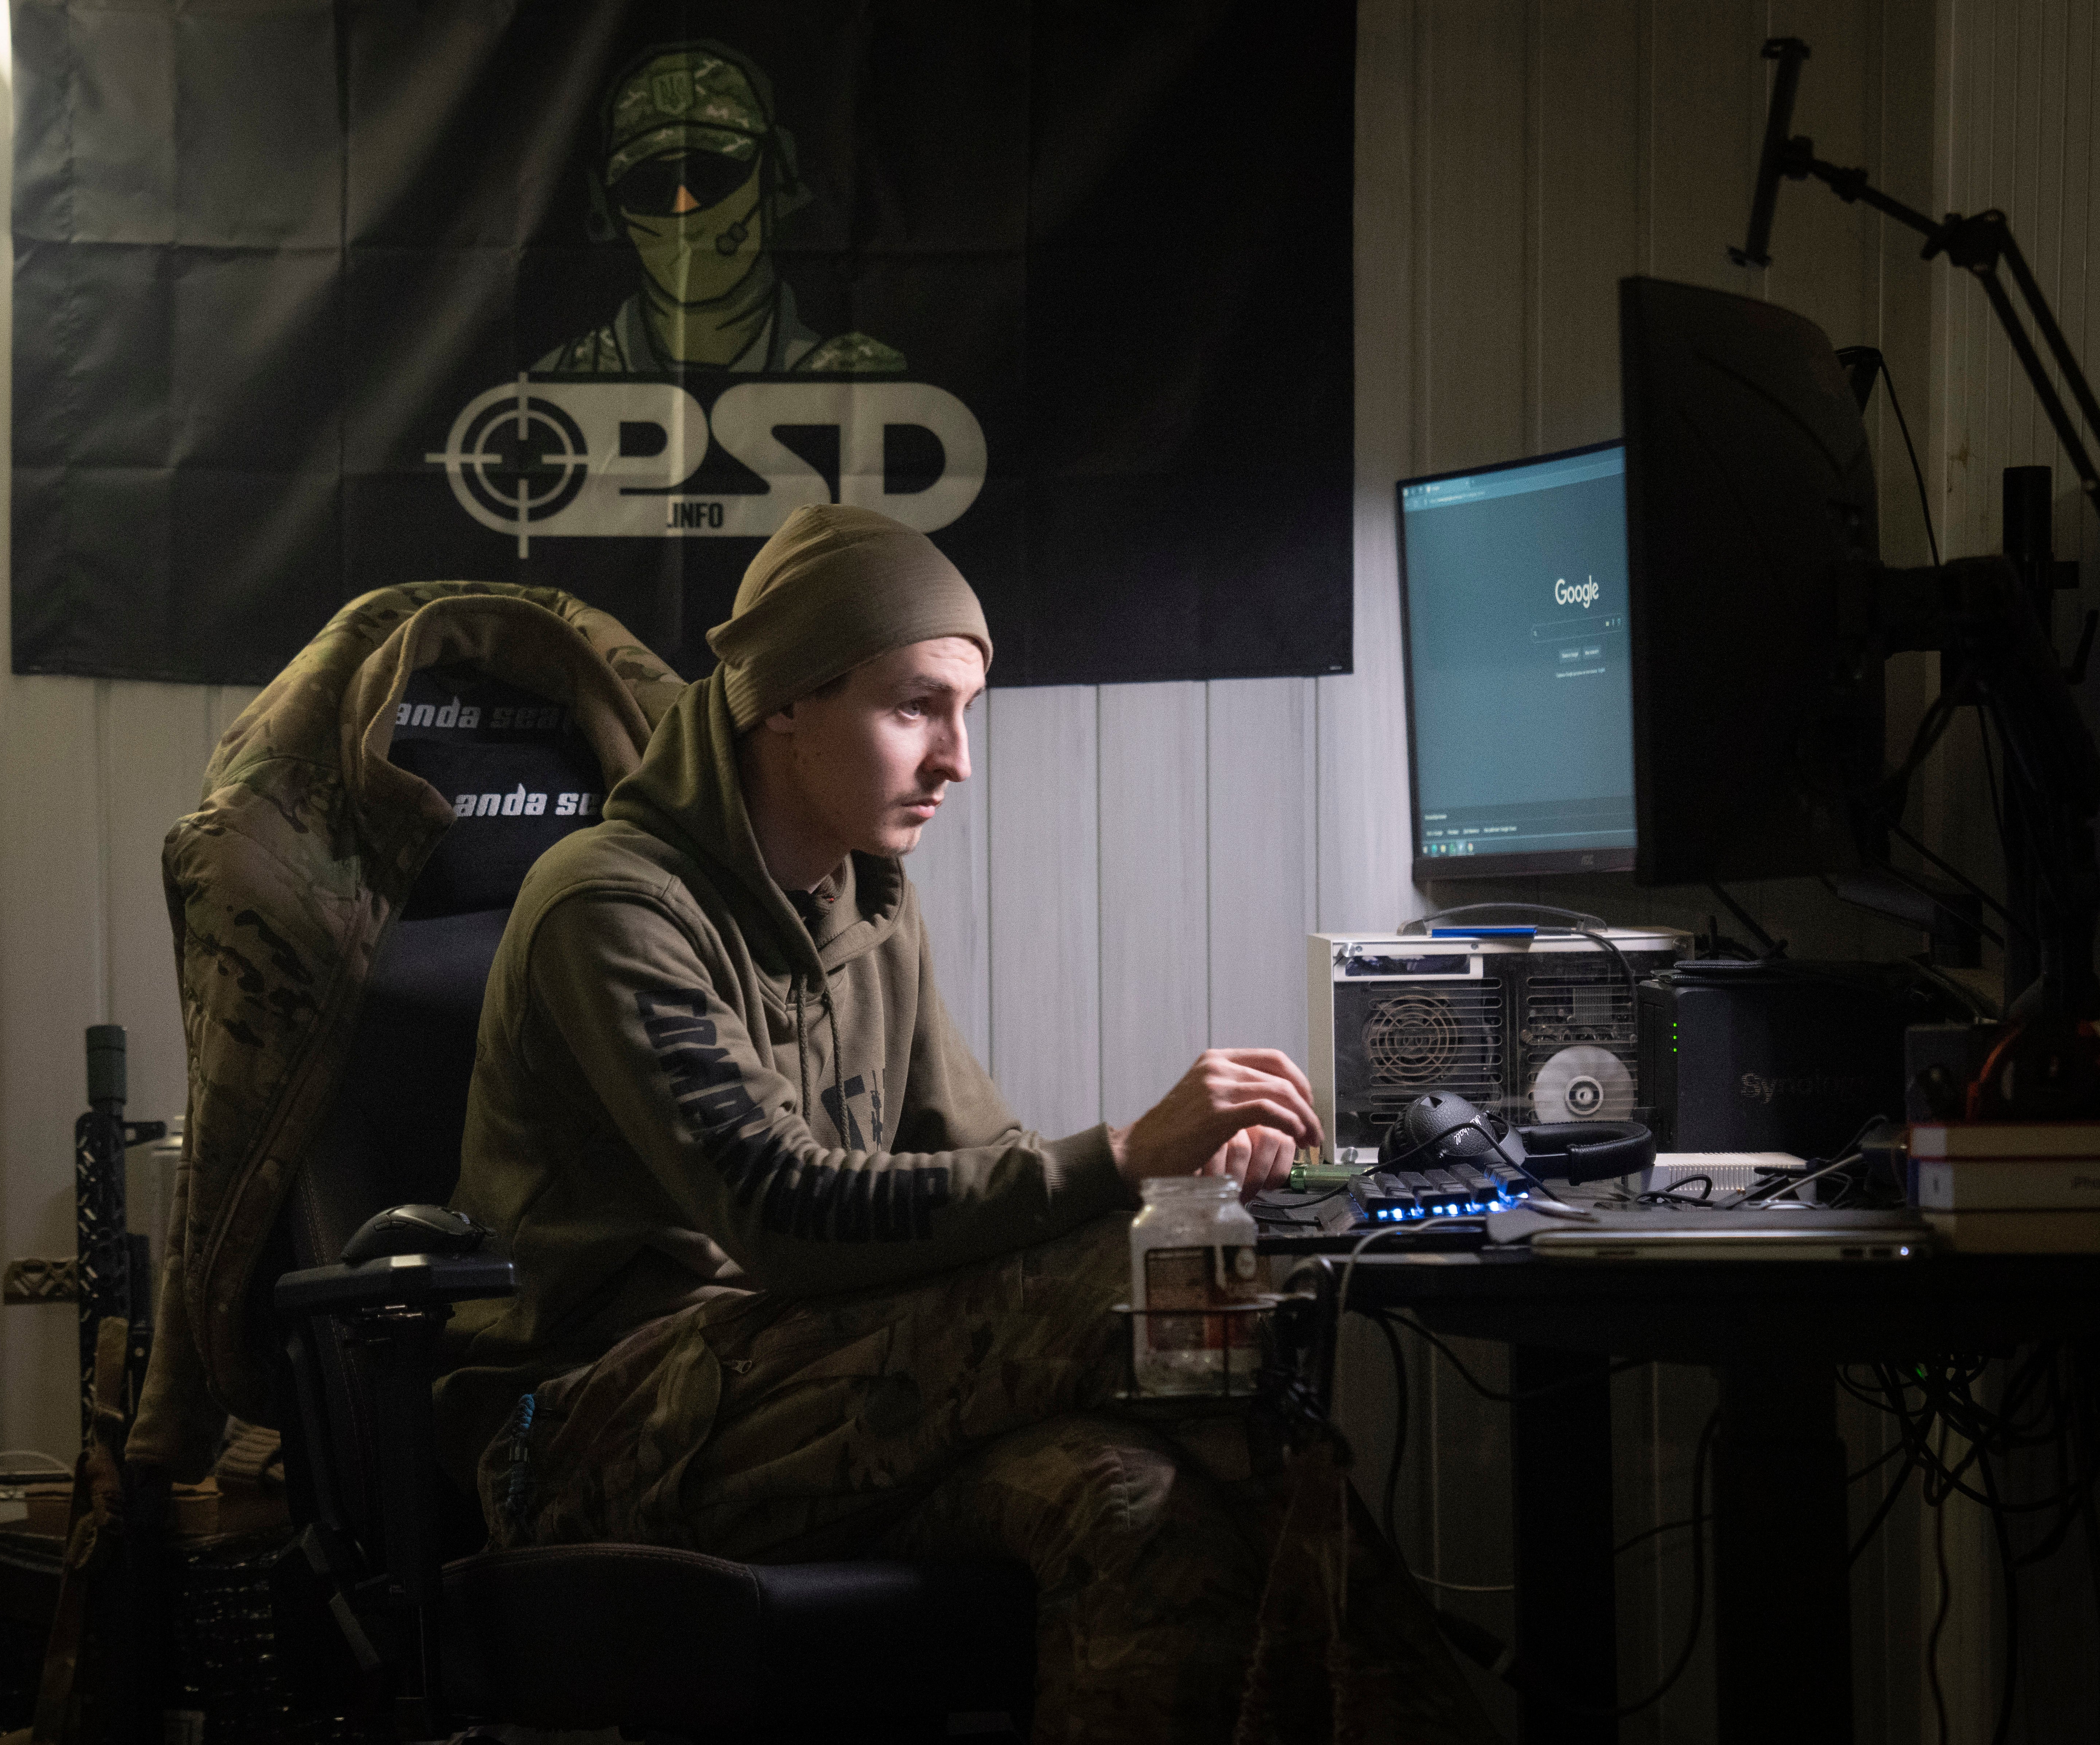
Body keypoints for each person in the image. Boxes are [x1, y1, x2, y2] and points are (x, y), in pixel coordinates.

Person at [439, 505, 1493, 1742]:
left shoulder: (870, 905)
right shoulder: (608, 901)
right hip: (589, 1437)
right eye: (914, 708)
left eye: (966, 712)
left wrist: (1188, 1180)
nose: (958, 759)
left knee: (1137, 1507)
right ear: (782, 702)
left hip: (803, 1408)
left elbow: (985, 1172)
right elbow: (779, 1211)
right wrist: (1122, 1166)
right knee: (1156, 1282)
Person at [538, 42, 904, 375]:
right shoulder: (564, 381)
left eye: (711, 174)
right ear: (613, 210)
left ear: (776, 173)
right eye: (649, 187)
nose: (685, 211)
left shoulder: (860, 379)